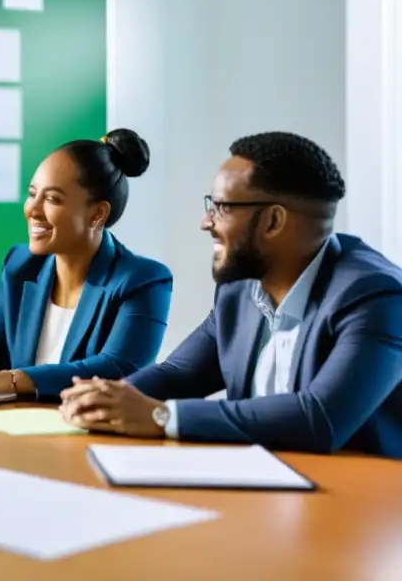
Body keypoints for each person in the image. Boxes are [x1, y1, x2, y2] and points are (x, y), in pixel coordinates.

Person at [60, 132, 402, 458]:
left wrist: (161, 417)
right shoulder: (239, 289)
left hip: (357, 500)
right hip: (264, 487)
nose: (206, 222)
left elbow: (320, 418)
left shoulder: (376, 297)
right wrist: (109, 399)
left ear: (273, 221)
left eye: (221, 207)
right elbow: (180, 373)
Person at [0, 129, 173, 401]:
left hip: (90, 433)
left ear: (97, 214)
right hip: (20, 427)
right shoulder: (20, 266)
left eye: (52, 199)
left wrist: (9, 380)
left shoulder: (142, 280)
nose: (32, 211)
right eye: (32, 194)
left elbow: (116, 369)